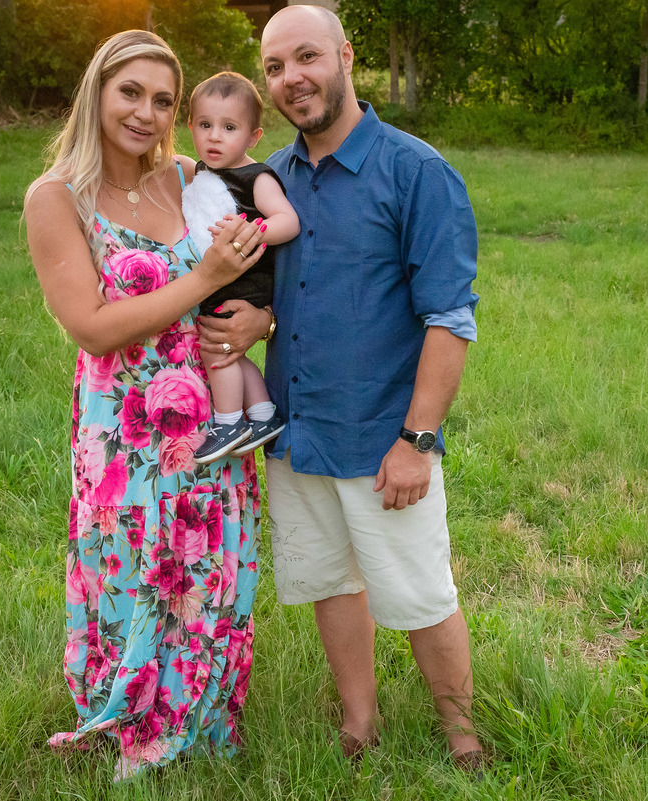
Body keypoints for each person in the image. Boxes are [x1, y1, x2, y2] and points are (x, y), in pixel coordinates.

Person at [198, 5, 486, 773]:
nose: (292, 78)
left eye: (307, 57)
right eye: (275, 67)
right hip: (296, 430)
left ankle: (464, 738)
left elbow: (449, 318)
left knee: (421, 591)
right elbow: (281, 286)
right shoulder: (269, 180)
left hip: (381, 435)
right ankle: (360, 721)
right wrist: (257, 317)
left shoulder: (415, 171)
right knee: (330, 580)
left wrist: (417, 440)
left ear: (346, 56)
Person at [23, 30, 271, 781]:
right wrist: (204, 280)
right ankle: (132, 713)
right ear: (96, 91)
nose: (146, 113)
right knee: (134, 563)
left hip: (213, 413)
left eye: (164, 100)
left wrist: (260, 320)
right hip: (124, 425)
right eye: (130, 92)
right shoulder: (56, 197)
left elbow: (265, 265)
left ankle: (200, 715)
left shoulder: (190, 177)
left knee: (206, 563)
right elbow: (92, 327)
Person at [180, 71, 300, 464]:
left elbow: (288, 221)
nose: (215, 137)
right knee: (233, 352)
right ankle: (264, 416)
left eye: (229, 128)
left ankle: (229, 422)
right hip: (222, 276)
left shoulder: (256, 176)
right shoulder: (204, 170)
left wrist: (253, 231)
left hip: (245, 278)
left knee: (216, 349)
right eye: (205, 125)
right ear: (190, 126)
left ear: (253, 137)